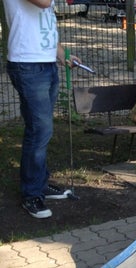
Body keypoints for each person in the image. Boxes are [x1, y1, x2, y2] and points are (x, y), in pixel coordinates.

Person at [4, 0, 83, 219]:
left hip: (45, 63)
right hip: (27, 64)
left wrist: (63, 54)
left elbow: (45, 25)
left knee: (41, 131)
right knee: (40, 130)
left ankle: (39, 185)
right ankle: (31, 194)